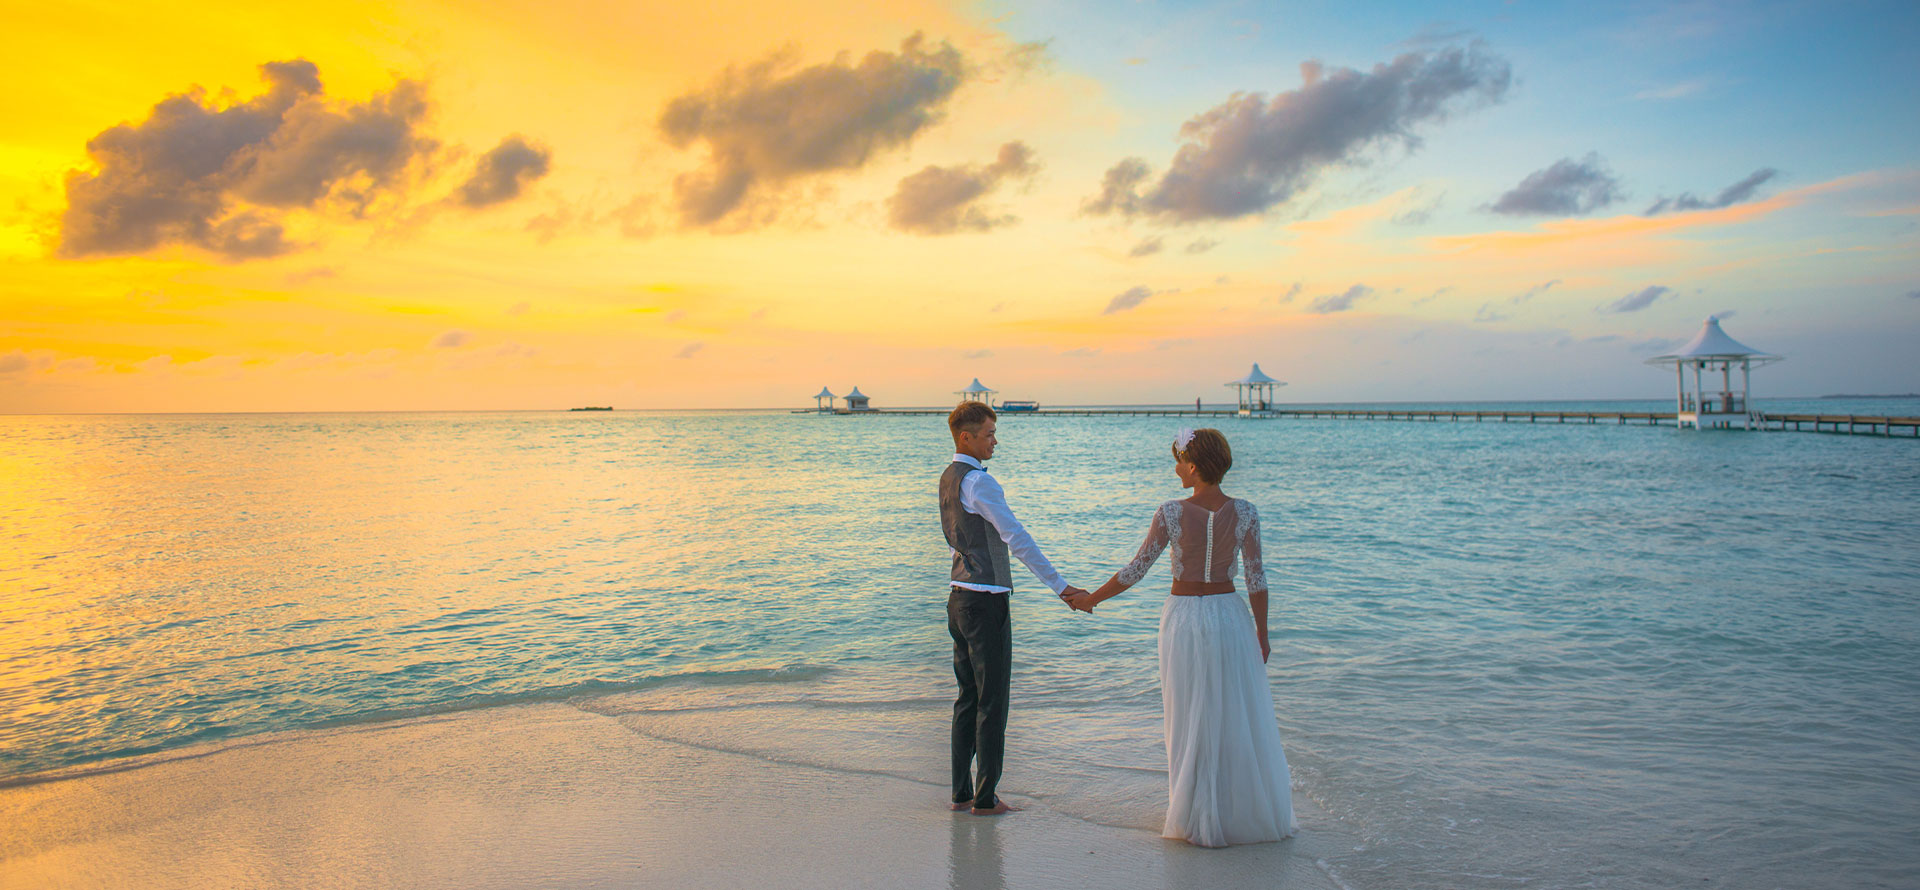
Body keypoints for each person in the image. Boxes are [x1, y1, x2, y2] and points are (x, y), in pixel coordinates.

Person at [1063, 428, 1296, 847]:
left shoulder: (1170, 512)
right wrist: (1262, 633)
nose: (1175, 469)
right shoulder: (1246, 511)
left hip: (1185, 619)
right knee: (1230, 714)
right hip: (1230, 618)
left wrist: (1092, 598)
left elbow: (1137, 570)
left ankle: (1193, 813)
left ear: (1193, 466)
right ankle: (1233, 811)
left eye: (1178, 461)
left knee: (1188, 714)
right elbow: (1257, 580)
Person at [940, 401, 1088, 816]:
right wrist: (1060, 586)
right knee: (992, 701)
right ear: (965, 437)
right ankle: (985, 798)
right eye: (988, 434)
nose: (995, 440)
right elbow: (1015, 537)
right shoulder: (980, 484)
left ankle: (961, 793)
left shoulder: (948, 478)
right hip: (985, 601)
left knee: (967, 698)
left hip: (958, 598)